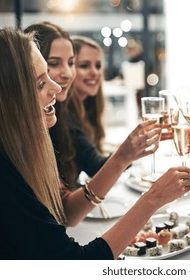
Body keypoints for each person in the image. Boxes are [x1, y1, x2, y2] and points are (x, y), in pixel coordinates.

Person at [0, 28, 190, 259]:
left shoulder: (20, 151)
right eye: (40, 83)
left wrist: (124, 157)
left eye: (70, 63)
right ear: (5, 97)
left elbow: (64, 211)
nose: (57, 86)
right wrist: (153, 198)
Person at [23, 22, 160, 226]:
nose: (67, 74)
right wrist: (124, 155)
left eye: (70, 63)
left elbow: (63, 207)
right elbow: (66, 209)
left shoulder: (57, 114)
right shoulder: (51, 122)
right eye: (53, 63)